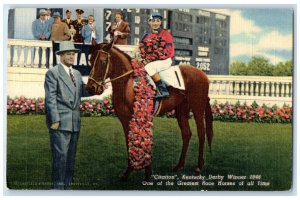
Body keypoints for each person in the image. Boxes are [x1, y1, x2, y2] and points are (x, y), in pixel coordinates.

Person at [44, 41, 92, 190]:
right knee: (60, 158)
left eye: (73, 54)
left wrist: (98, 89)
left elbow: (83, 91)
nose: (72, 57)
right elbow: (50, 98)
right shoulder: (53, 73)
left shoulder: (76, 74)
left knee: (70, 159)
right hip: (60, 123)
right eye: (69, 54)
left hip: (75, 123)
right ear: (61, 56)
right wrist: (55, 119)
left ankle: (68, 188)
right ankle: (58, 190)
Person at [140, 12, 175, 99]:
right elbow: (142, 49)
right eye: (153, 21)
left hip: (165, 60)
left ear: (160, 22)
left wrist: (151, 59)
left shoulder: (166, 34)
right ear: (149, 22)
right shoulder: (146, 36)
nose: (155, 23)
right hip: (151, 61)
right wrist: (144, 58)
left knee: (149, 67)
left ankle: (163, 90)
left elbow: (168, 51)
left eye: (157, 21)